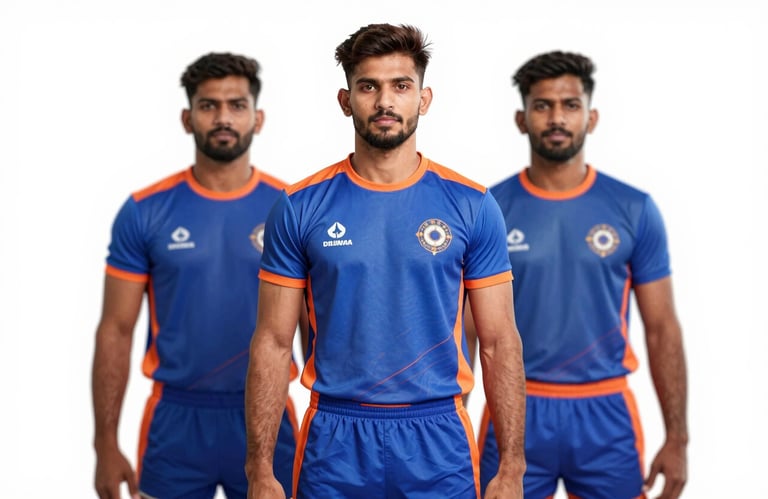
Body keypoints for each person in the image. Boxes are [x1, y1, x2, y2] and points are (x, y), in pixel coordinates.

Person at [244, 23, 526, 499]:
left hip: (438, 436)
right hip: (335, 435)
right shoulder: (300, 206)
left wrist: (513, 467)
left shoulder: (472, 205)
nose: (385, 102)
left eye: (401, 86)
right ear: (345, 99)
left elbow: (500, 343)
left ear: (424, 98)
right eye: (368, 86)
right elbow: (272, 343)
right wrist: (259, 469)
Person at [471, 50, 689, 498]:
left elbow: (662, 328)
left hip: (605, 413)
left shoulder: (633, 209)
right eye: (542, 105)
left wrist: (678, 438)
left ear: (591, 118)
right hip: (515, 409)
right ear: (521, 118)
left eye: (570, 105)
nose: (556, 118)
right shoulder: (487, 209)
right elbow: (468, 331)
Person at [91, 52, 305, 499]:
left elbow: (314, 325)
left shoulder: (293, 209)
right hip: (176, 421)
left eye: (236, 105)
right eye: (209, 106)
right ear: (187, 119)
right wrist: (105, 444)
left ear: (258, 118)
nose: (223, 117)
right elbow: (115, 330)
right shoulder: (145, 211)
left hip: (268, 418)